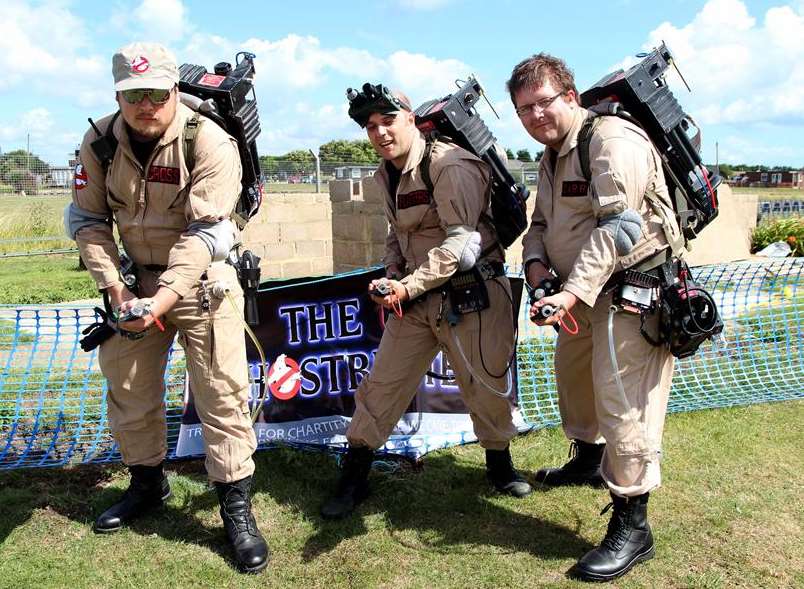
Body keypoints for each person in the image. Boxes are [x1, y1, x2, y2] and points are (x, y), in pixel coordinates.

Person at [66, 42, 268, 574]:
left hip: (202, 280)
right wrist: (117, 291)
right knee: (129, 389)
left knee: (222, 392)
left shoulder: (210, 139)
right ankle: (146, 485)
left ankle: (235, 505)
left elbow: (206, 233)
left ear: (173, 90)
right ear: (119, 95)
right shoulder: (98, 141)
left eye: (157, 92)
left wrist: (164, 298)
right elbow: (87, 221)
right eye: (135, 95)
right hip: (132, 285)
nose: (146, 105)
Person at [319, 83, 532, 520]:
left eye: (388, 121)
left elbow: (461, 243)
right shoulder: (386, 172)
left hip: (472, 296)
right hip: (413, 301)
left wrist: (407, 286)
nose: (379, 133)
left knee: (484, 389)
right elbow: (398, 233)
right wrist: (391, 276)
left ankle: (499, 465)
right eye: (371, 126)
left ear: (411, 118)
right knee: (381, 387)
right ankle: (355, 475)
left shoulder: (450, 165)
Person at [507, 54, 682, 582]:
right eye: (524, 109)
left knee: (624, 405)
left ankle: (634, 524)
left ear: (571, 96)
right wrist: (538, 271)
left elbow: (620, 229)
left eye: (543, 102)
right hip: (580, 299)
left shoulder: (611, 141)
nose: (535, 115)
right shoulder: (553, 152)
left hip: (630, 296)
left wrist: (571, 292)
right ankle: (587, 458)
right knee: (575, 384)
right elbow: (540, 223)